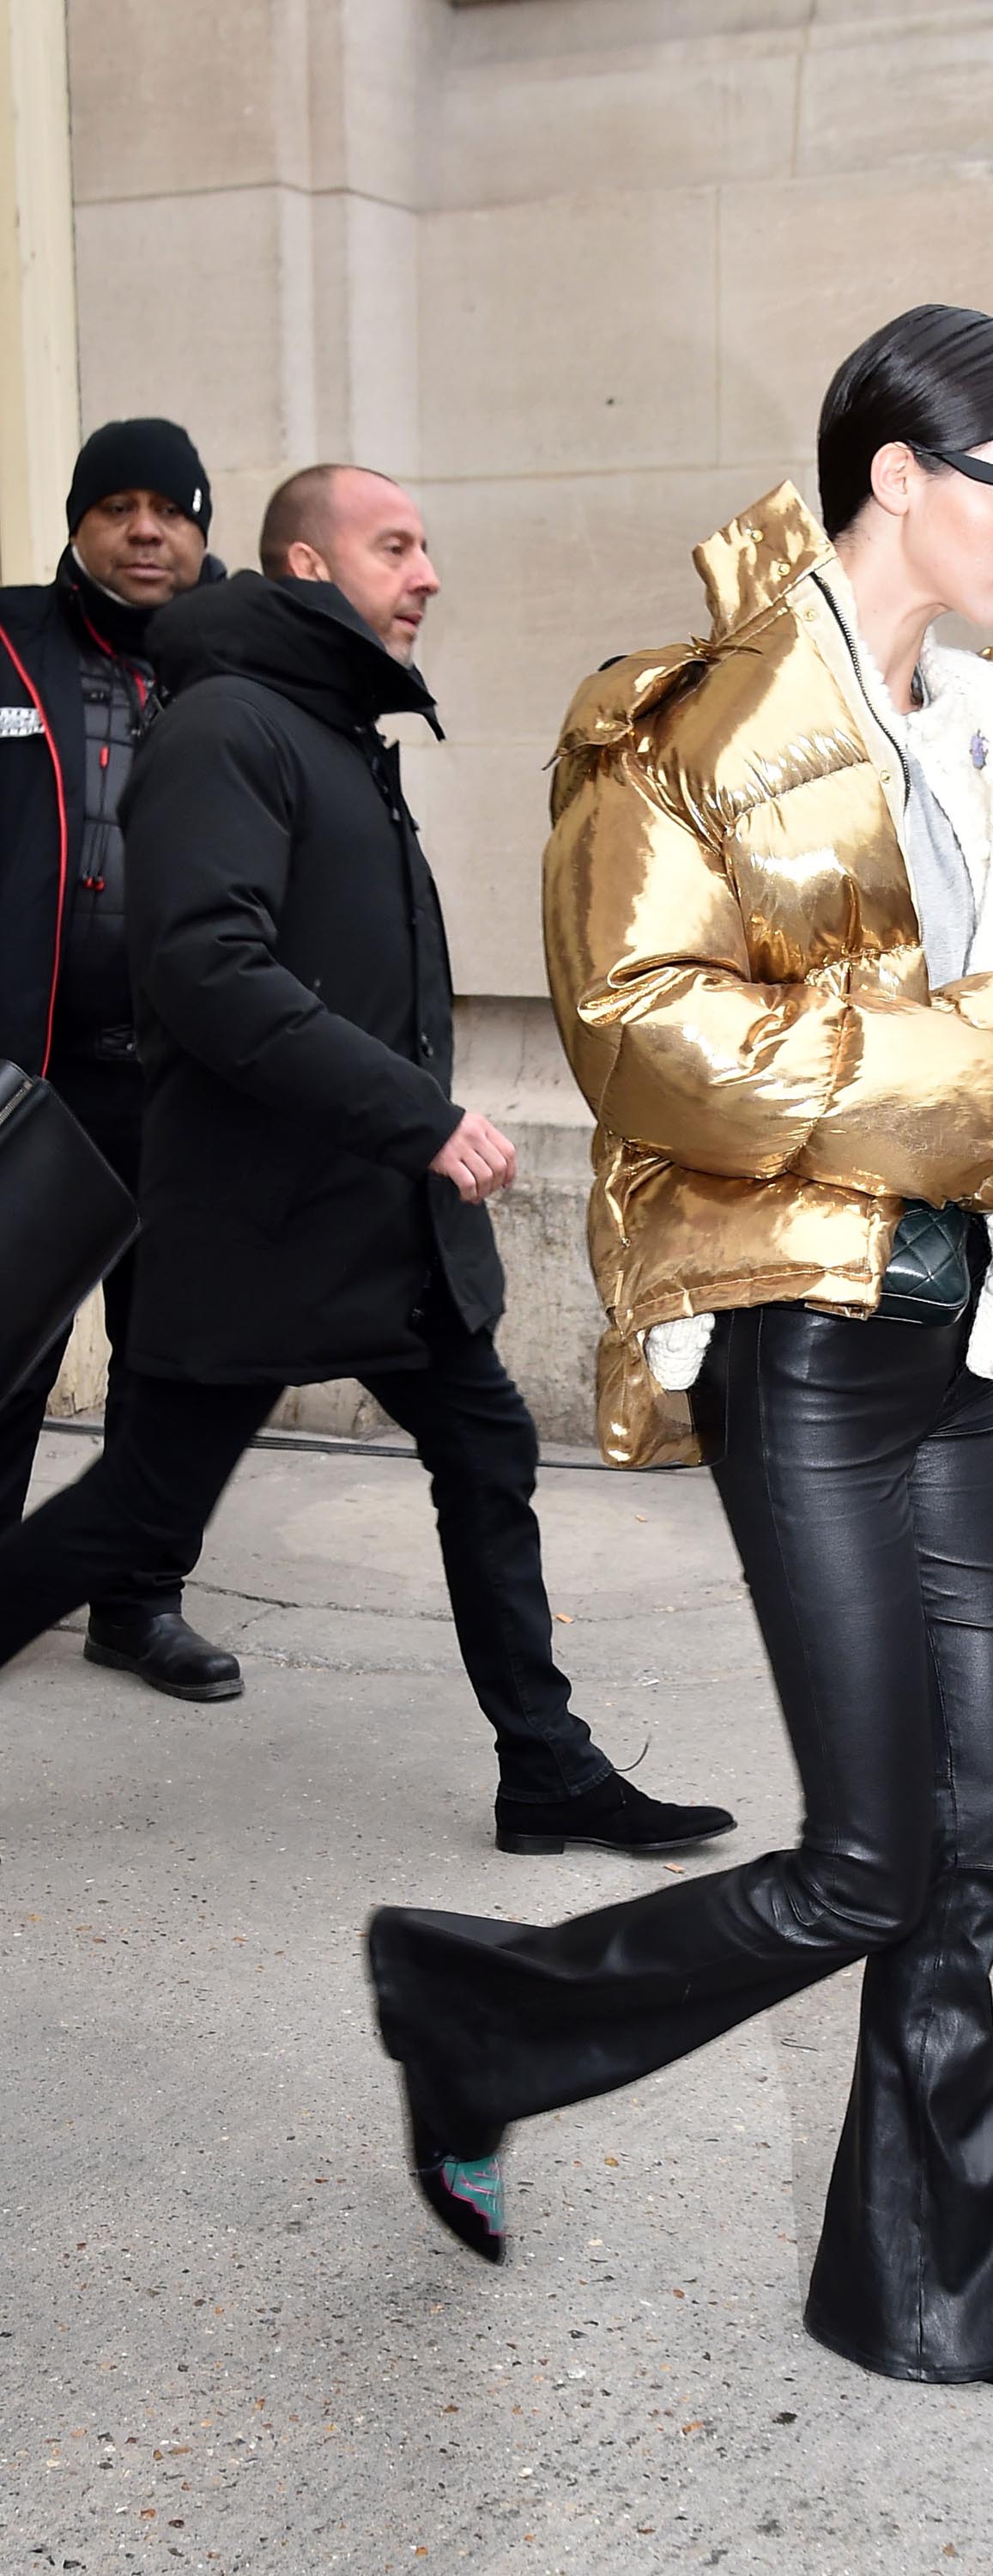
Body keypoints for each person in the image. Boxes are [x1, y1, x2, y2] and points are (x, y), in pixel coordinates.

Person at [365, 307, 993, 2395]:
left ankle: (928, 2288)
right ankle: (481, 2012)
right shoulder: (682, 726)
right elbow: (646, 1037)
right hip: (804, 1337)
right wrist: (959, 1070)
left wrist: (985, 1067)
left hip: (962, 1327)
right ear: (901, 470)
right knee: (865, 1856)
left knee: (972, 1847)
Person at [0, 464, 735, 1859]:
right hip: (257, 1217)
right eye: (393, 545)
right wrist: (418, 1114)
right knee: (136, 1510)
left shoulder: (324, 726)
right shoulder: (226, 728)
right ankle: (549, 1763)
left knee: (486, 1449)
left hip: (374, 1221)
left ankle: (547, 1768)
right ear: (300, 563)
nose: (427, 572)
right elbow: (209, 971)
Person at [0, 417, 239, 1702]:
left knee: (174, 1365)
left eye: (172, 509)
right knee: (8, 1351)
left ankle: (139, 1604)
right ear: (83, 522)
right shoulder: (3, 638)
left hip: (186, 1088)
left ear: (204, 529)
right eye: (120, 506)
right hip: (29, 1084)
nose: (146, 531)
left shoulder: (247, 670)